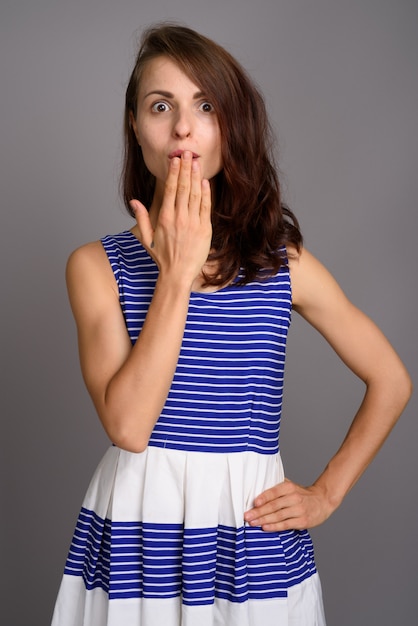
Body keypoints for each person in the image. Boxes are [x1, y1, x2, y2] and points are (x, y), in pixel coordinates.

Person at [51, 23, 412, 626]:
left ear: (230, 127)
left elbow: (392, 380)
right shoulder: (95, 267)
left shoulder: (284, 264)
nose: (184, 128)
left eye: (206, 105)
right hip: (141, 535)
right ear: (136, 129)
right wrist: (176, 275)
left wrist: (325, 494)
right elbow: (129, 427)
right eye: (160, 106)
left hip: (252, 539)